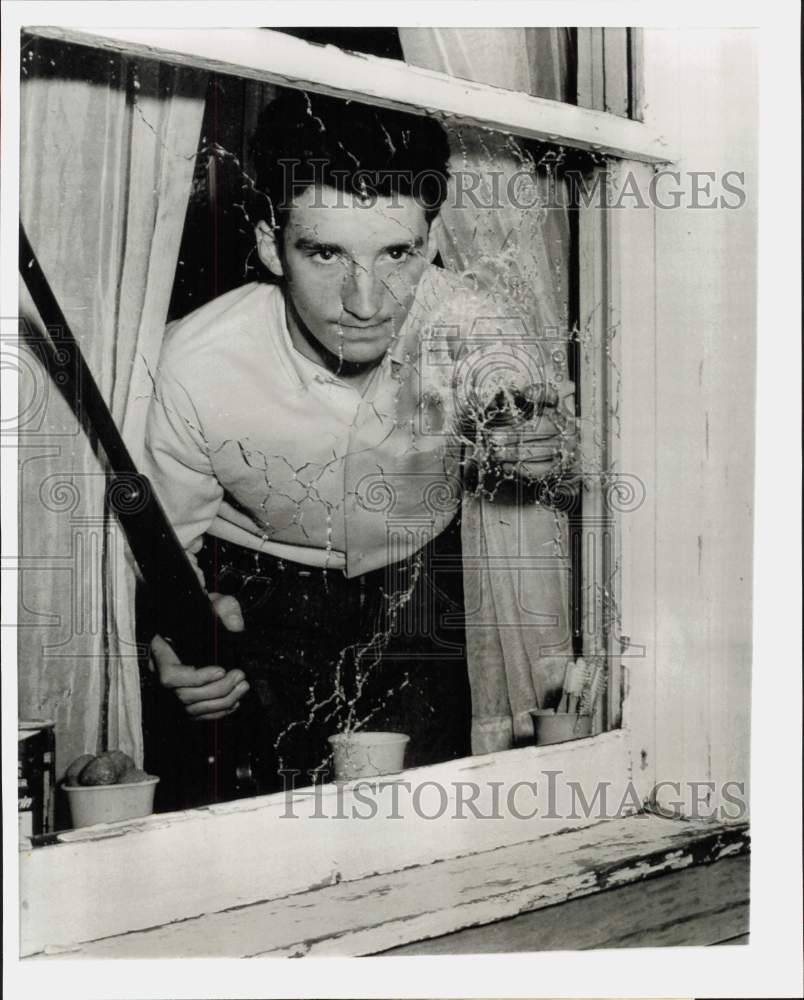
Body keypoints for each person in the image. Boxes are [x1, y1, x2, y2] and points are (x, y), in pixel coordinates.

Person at [145, 89, 576, 796]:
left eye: (398, 253)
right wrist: (173, 635)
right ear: (267, 244)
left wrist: (544, 451)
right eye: (324, 254)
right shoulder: (189, 365)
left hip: (422, 593)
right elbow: (164, 545)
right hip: (258, 599)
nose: (367, 302)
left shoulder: (480, 329)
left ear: (433, 242)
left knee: (430, 816)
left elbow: (546, 444)